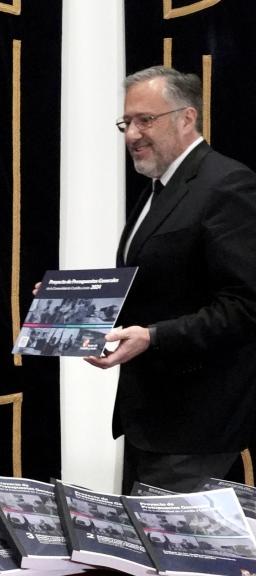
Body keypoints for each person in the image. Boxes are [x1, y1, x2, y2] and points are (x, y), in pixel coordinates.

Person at [86, 66, 256, 493]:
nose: (132, 135)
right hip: (149, 418)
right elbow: (158, 283)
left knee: (171, 557)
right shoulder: (160, 186)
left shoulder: (227, 184)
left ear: (187, 118)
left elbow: (245, 305)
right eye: (128, 122)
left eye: (146, 120)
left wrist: (154, 337)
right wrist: (74, 300)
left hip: (196, 424)